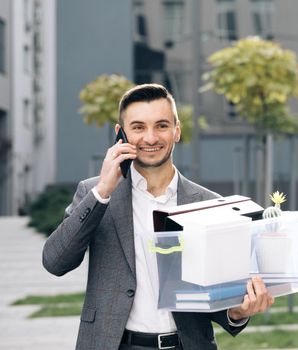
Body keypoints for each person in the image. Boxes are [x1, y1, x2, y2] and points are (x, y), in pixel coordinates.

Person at [43, 83, 275, 350]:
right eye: (139, 127)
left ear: (177, 130)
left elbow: (213, 295)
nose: (151, 138)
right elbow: (55, 261)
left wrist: (237, 312)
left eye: (161, 126)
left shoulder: (208, 203)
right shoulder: (94, 192)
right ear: (120, 134)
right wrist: (103, 191)